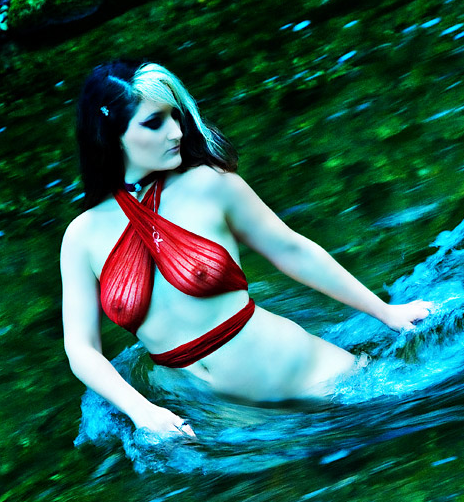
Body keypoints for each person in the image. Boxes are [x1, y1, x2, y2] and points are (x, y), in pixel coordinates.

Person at [60, 60, 433, 439]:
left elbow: (292, 250)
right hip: (232, 422)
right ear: (112, 135)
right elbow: (81, 348)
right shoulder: (81, 237)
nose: (176, 131)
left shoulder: (209, 185)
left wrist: (385, 312)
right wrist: (143, 412)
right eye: (155, 122)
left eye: (175, 116)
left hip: (317, 380)